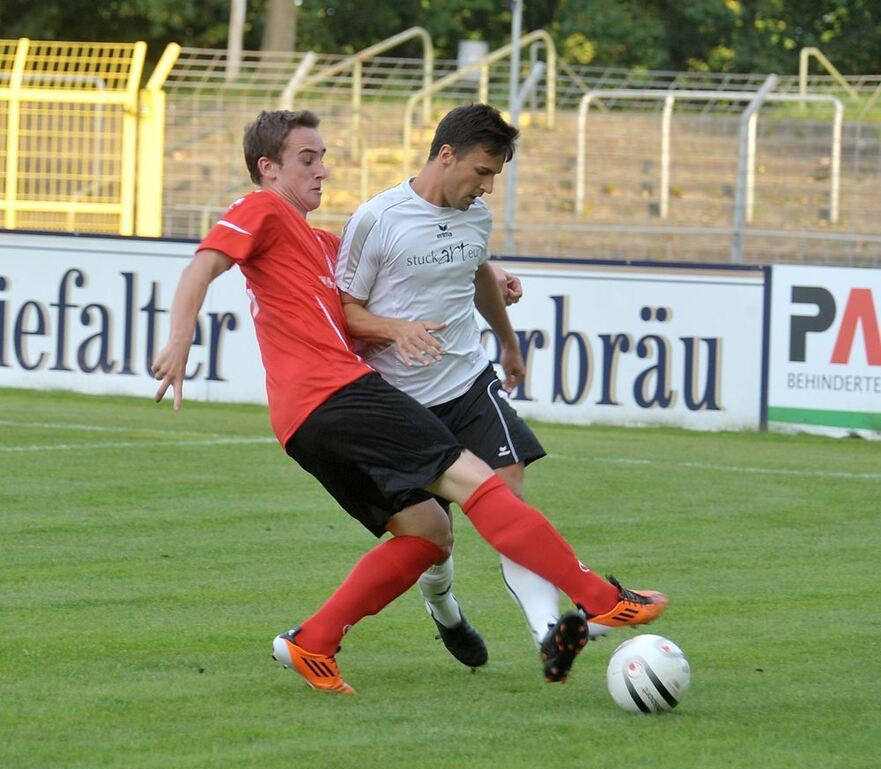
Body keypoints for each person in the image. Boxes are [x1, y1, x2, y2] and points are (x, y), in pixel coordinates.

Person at [152, 109, 667, 695]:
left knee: (428, 533)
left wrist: (488, 272)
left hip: (303, 423)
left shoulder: (319, 243)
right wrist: (180, 337)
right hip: (339, 394)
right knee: (478, 481)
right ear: (268, 168)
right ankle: (600, 599)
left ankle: (313, 641)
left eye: (323, 158)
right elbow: (204, 264)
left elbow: (399, 272)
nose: (322, 170)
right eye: (307, 159)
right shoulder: (262, 208)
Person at [335, 104, 596, 675]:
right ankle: (444, 609)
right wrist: (396, 330)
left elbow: (477, 273)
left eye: (495, 176)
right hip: (399, 403)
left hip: (468, 382)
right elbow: (345, 311)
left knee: (510, 496)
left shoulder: (476, 218)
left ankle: (549, 633)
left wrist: (508, 342)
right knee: (436, 538)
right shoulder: (377, 219)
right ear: (446, 155)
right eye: (482, 172)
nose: (487, 187)